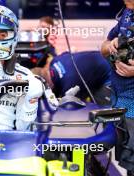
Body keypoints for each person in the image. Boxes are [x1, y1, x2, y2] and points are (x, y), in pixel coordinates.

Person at [101, 0, 134, 175]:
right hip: (119, 98)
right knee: (127, 159)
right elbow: (103, 47)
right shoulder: (126, 14)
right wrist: (111, 44)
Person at [38, 51, 111, 104]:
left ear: (48, 86)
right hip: (106, 55)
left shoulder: (68, 86)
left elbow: (75, 107)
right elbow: (66, 54)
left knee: (97, 110)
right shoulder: (55, 60)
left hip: (111, 72)